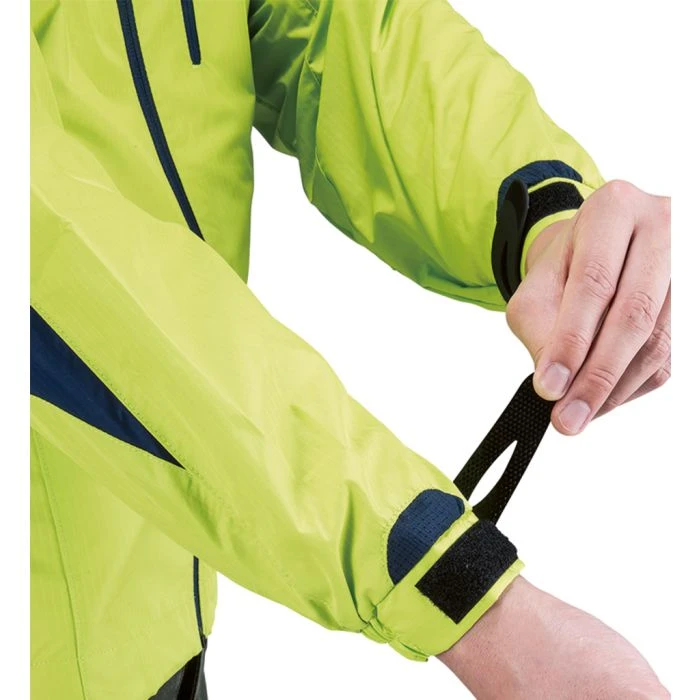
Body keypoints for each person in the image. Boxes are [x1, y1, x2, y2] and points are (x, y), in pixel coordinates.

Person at [30, 0, 671, 698]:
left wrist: (543, 213)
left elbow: (324, 21)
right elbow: (41, 262)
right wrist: (456, 584)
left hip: (148, 632)